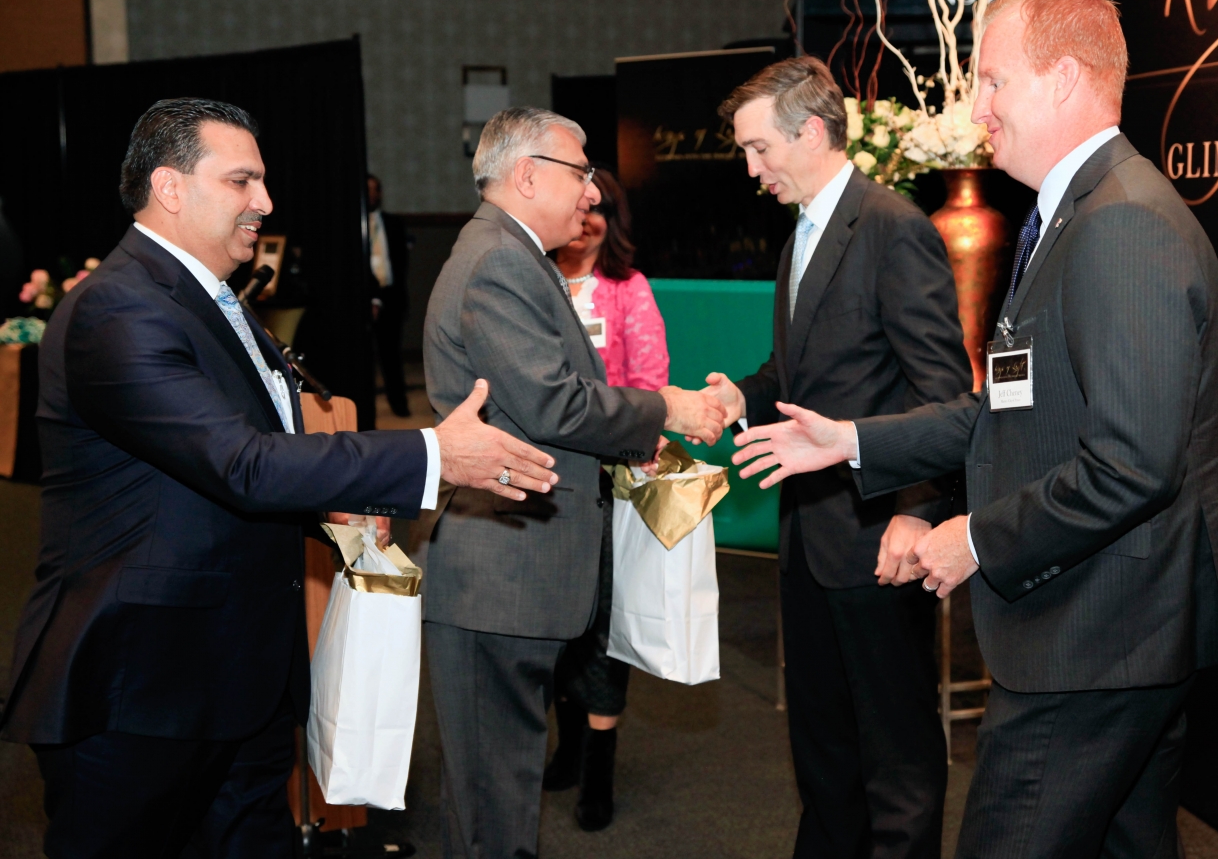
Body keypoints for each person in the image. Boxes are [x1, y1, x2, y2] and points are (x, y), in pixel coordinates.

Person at [732, 0, 1218, 858]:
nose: (976, 109)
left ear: (1060, 80)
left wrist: (970, 538)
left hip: (1096, 638)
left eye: (991, 83)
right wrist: (853, 439)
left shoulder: (1121, 222)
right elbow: (1007, 407)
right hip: (1112, 630)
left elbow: (1132, 465)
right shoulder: (1075, 212)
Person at [0, 98, 558, 859]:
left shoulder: (210, 297)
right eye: (242, 182)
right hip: (141, 688)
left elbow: (245, 455)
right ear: (170, 187)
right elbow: (241, 464)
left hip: (236, 673)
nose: (264, 202)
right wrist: (432, 455)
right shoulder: (118, 311)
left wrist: (342, 506)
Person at [422, 106, 725, 859]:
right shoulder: (499, 260)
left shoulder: (513, 255)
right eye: (580, 172)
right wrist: (669, 407)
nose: (592, 193)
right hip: (500, 574)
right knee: (496, 808)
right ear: (526, 176)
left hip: (516, 568)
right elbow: (553, 402)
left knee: (505, 793)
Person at [700, 57, 971, 858]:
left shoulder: (892, 227)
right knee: (822, 750)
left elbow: (944, 395)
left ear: (811, 131)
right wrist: (736, 398)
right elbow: (795, 377)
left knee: (897, 755)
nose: (751, 170)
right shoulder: (804, 237)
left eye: (758, 149)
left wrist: (917, 511)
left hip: (876, 540)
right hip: (809, 540)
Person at [544, 167, 669, 831]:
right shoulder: (531, 283)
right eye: (578, 205)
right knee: (556, 623)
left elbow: (650, 386)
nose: (586, 218)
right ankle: (566, 745)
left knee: (600, 631)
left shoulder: (628, 290)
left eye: (599, 209)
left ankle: (599, 768)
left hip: (609, 486)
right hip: (544, 482)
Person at [367, 173, 412, 417]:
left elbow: (401, 263)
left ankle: (400, 404)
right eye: (367, 189)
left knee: (392, 355)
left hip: (392, 297)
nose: (372, 194)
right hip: (363, 298)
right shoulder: (355, 224)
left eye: (376, 189)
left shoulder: (394, 223)